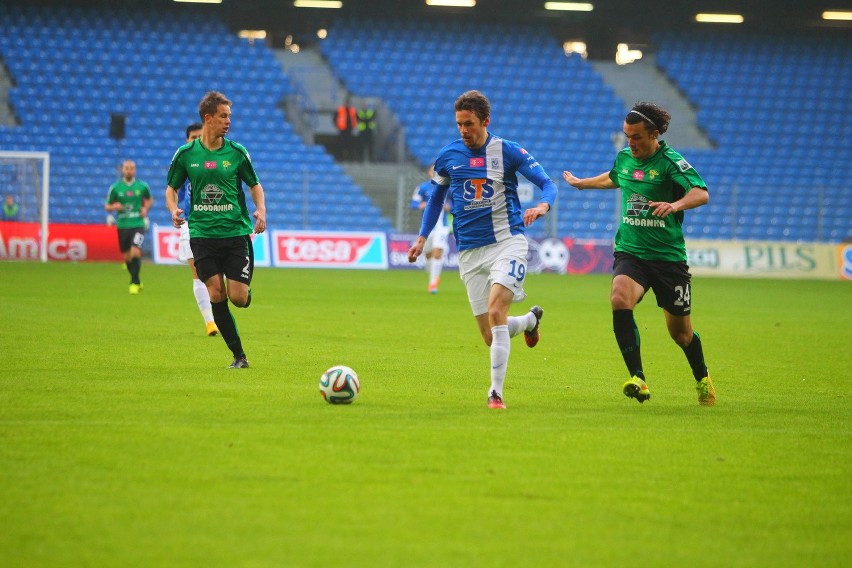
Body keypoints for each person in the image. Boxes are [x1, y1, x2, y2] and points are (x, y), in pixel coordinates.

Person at [407, 90, 556, 409]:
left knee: (496, 311)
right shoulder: (448, 155)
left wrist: (543, 205)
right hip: (470, 252)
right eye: (459, 124)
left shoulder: (508, 151)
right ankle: (529, 321)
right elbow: (435, 199)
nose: (463, 130)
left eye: (469, 123)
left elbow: (548, 183)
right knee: (491, 334)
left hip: (508, 242)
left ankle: (495, 393)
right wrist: (422, 237)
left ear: (485, 121)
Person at [562, 101, 716, 406]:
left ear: (654, 134)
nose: (630, 142)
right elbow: (614, 177)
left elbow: (701, 193)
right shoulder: (625, 158)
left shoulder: (671, 162)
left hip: (668, 259)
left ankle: (702, 377)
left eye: (636, 137)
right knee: (619, 297)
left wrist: (674, 205)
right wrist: (583, 185)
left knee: (681, 335)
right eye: (627, 136)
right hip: (631, 251)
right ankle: (638, 378)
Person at [165, 91, 267, 369]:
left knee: (238, 298)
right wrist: (173, 209)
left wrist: (261, 210)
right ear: (207, 119)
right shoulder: (186, 155)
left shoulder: (236, 152)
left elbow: (254, 184)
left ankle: (245, 292)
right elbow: (171, 188)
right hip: (202, 235)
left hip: (235, 234)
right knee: (216, 295)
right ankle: (239, 356)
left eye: (229, 116)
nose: (228, 121)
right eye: (223, 116)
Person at [175, 122, 219, 337]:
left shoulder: (217, 160)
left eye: (199, 137)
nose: (196, 140)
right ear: (187, 140)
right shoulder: (183, 161)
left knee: (218, 277)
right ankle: (210, 322)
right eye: (192, 137)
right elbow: (173, 189)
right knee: (197, 274)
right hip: (191, 224)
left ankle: (220, 312)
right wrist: (174, 208)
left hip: (218, 225)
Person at [105, 160, 152, 294]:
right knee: (127, 256)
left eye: (132, 168)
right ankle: (136, 280)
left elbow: (149, 199)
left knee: (135, 251)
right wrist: (114, 206)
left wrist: (145, 208)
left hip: (137, 223)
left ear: (135, 170)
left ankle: (134, 282)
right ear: (122, 170)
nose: (129, 170)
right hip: (122, 224)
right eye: (127, 168)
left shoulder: (142, 186)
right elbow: (107, 206)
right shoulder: (115, 187)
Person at [410, 166, 452, 294]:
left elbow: (455, 203)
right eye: (433, 170)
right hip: (428, 227)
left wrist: (449, 206)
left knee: (437, 251)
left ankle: (433, 284)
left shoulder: (448, 187)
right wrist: (420, 205)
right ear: (429, 172)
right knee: (428, 254)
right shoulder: (423, 187)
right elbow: (413, 203)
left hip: (442, 226)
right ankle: (432, 279)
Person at [334, 96, 358, 160]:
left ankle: (350, 158)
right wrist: (337, 126)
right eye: (346, 102)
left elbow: (356, 118)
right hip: (342, 130)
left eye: (348, 103)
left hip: (350, 130)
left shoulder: (353, 110)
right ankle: (340, 157)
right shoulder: (340, 110)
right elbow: (335, 118)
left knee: (350, 145)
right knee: (341, 144)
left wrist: (354, 126)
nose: (347, 104)